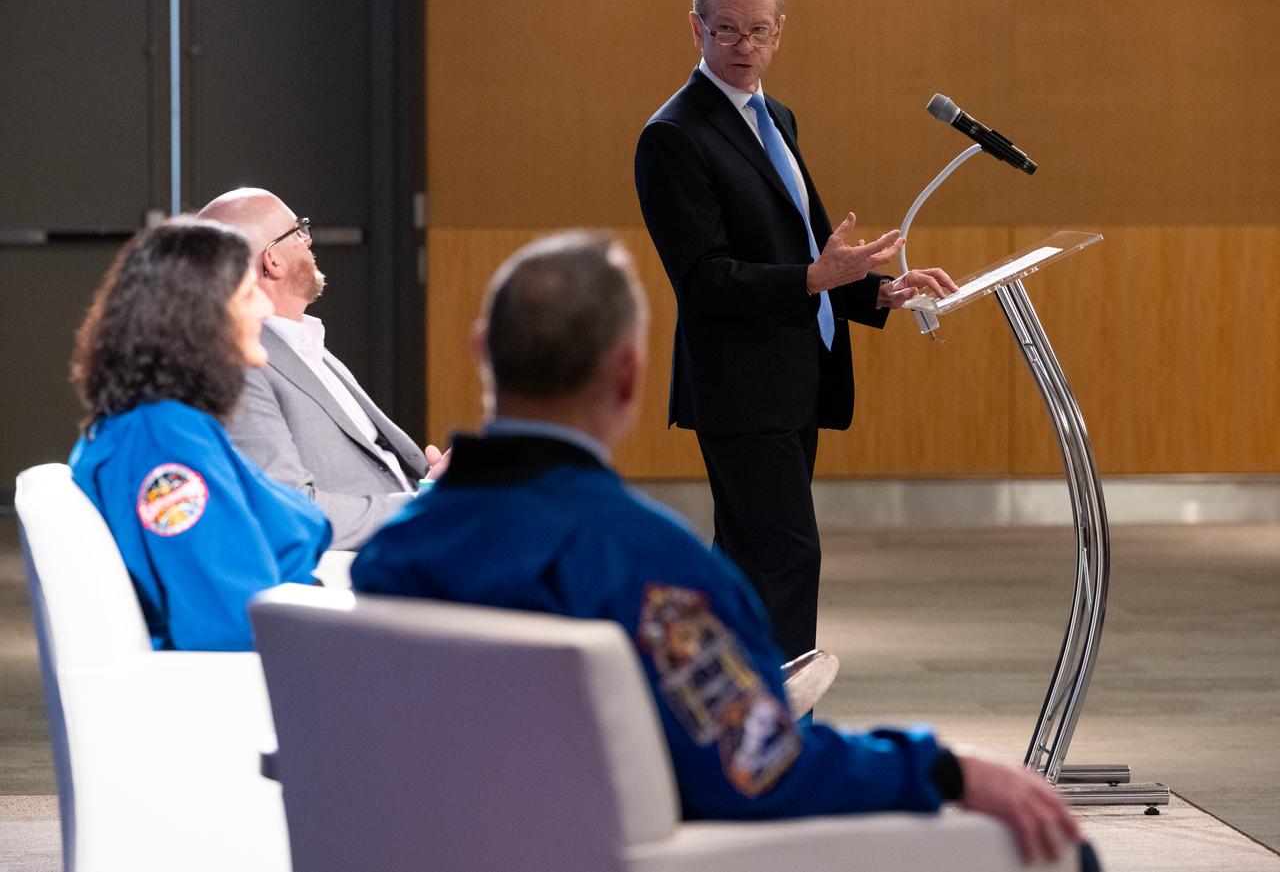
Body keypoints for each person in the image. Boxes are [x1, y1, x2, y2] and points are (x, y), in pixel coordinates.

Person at [350, 232, 1090, 868]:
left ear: (483, 349)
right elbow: (761, 766)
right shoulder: (654, 568)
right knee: (1061, 849)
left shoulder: (388, 560)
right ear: (630, 375)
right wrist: (939, 765)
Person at [634, 0, 957, 661]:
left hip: (791, 379)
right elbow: (707, 280)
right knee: (785, 558)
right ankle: (779, 735)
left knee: (750, 562)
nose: (743, 46)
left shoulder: (776, 117)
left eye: (758, 30)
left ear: (780, 33)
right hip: (737, 387)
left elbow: (807, 248)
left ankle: (732, 720)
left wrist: (878, 290)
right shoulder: (673, 135)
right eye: (726, 30)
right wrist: (815, 276)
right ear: (696, 29)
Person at [69, 219, 331, 651]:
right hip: (274, 676)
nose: (266, 310)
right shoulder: (163, 445)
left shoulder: (161, 425)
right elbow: (230, 623)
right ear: (201, 317)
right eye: (249, 295)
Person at [197, 188, 445, 551]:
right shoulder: (241, 367)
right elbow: (288, 510)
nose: (307, 240)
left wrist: (436, 486)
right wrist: (424, 509)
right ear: (272, 261)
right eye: (297, 231)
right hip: (366, 568)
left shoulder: (305, 342)